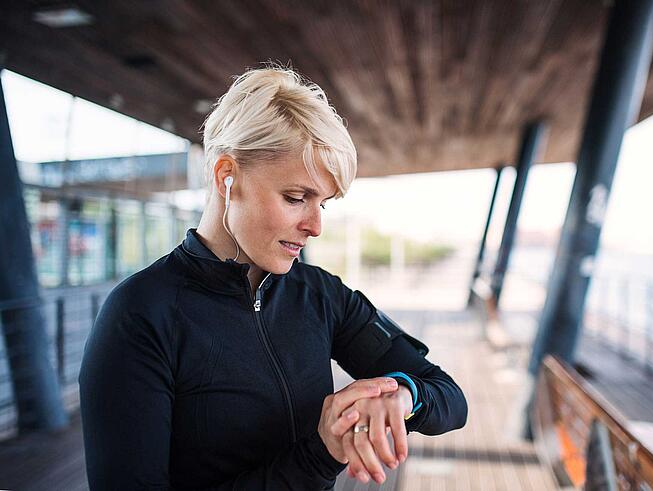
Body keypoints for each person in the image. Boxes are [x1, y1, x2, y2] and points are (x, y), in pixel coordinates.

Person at [78, 65, 468, 490]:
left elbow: (448, 395)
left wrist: (404, 396)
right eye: (296, 198)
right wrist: (320, 454)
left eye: (324, 203)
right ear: (227, 177)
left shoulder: (321, 295)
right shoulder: (140, 316)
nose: (315, 226)